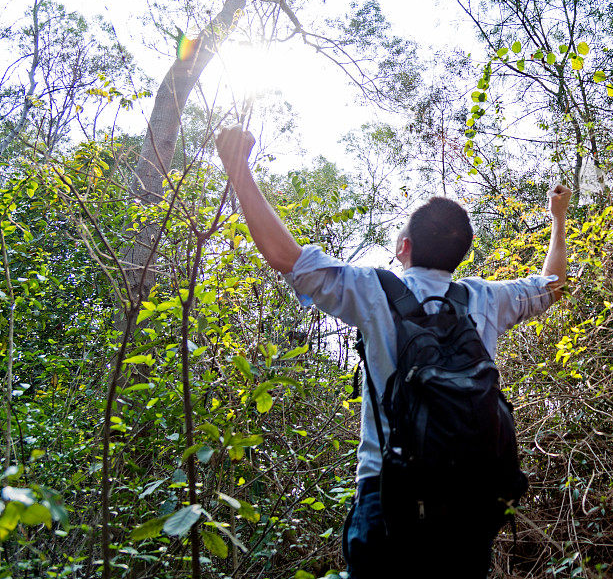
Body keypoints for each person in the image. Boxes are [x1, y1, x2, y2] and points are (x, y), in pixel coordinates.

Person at [215, 125, 571, 579]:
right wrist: (558, 219)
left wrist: (238, 169)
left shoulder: (373, 290)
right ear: (459, 253)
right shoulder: (486, 299)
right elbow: (554, 285)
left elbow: (285, 257)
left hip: (389, 496)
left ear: (404, 248)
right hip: (470, 503)